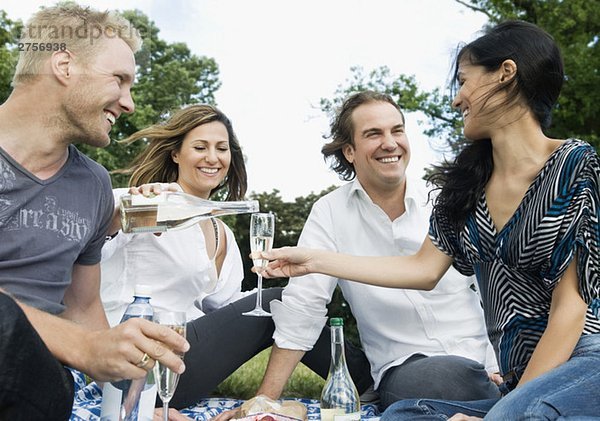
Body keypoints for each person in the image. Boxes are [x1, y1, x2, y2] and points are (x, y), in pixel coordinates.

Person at [260, 21, 600, 419]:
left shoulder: (575, 164)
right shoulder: (465, 184)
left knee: (522, 412)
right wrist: (315, 260)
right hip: (517, 377)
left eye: (464, 82)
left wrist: (506, 409)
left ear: (506, 74)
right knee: (402, 414)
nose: (457, 100)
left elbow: (571, 310)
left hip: (581, 360)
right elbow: (423, 268)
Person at [216, 90, 500, 421]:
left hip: (483, 356)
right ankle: (506, 404)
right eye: (373, 134)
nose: (390, 143)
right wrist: (265, 399)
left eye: (397, 130)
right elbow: (303, 305)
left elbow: (491, 287)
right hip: (407, 367)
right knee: (448, 377)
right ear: (349, 151)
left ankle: (496, 398)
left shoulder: (445, 199)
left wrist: (498, 362)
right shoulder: (330, 212)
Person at [0, 4, 188, 418]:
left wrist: (136, 402)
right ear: (64, 65)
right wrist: (82, 348)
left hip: (34, 385)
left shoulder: (94, 185)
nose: (129, 103)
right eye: (119, 80)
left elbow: (82, 307)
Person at [100, 104, 284, 410]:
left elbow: (224, 309)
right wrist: (131, 211)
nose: (212, 158)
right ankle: (369, 384)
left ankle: (367, 383)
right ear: (176, 154)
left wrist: (290, 279)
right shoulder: (139, 200)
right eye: (200, 147)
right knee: (281, 301)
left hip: (181, 360)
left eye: (221, 148)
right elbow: (89, 249)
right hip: (132, 363)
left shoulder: (219, 231)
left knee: (294, 299)